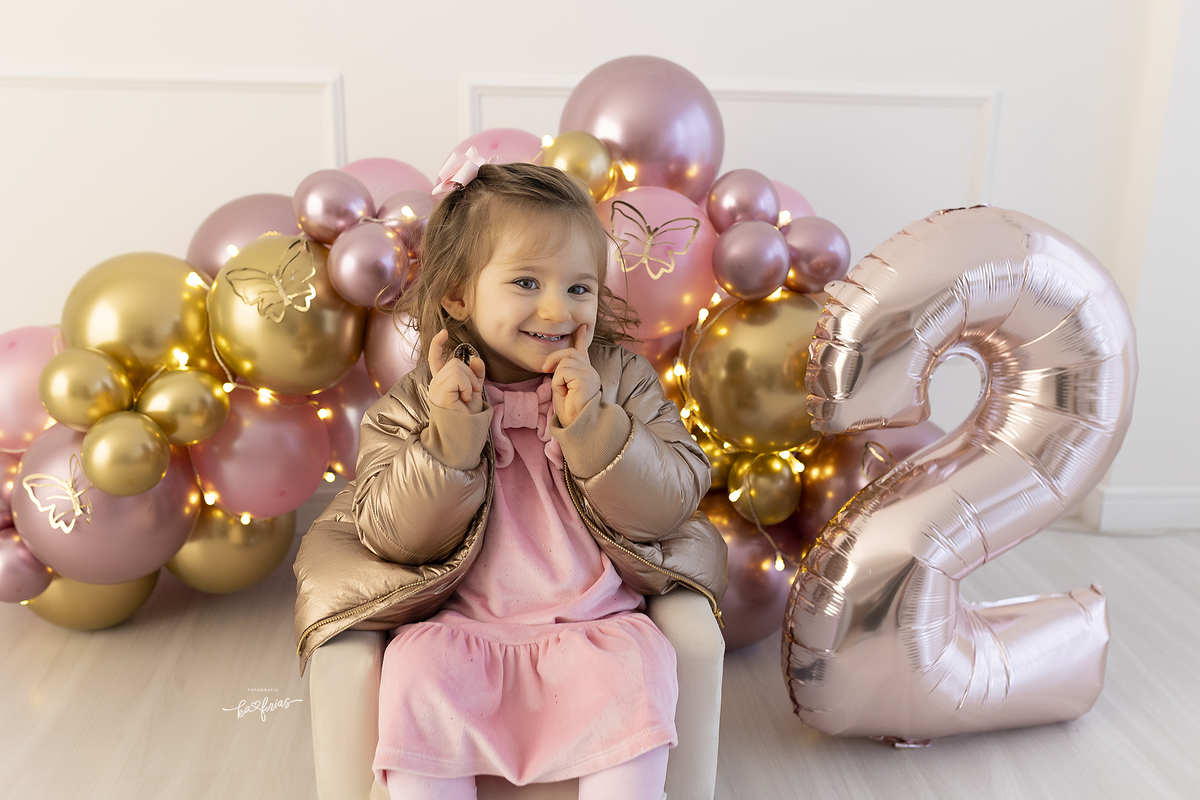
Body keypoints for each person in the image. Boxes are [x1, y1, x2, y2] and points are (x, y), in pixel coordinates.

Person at [293, 154, 727, 800]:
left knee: (641, 669)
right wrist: (452, 436)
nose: (558, 308)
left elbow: (673, 497)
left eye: (579, 288)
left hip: (595, 627)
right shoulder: (418, 401)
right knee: (413, 673)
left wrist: (597, 430)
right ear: (459, 294)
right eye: (527, 283)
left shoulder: (619, 381)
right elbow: (393, 533)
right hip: (462, 629)